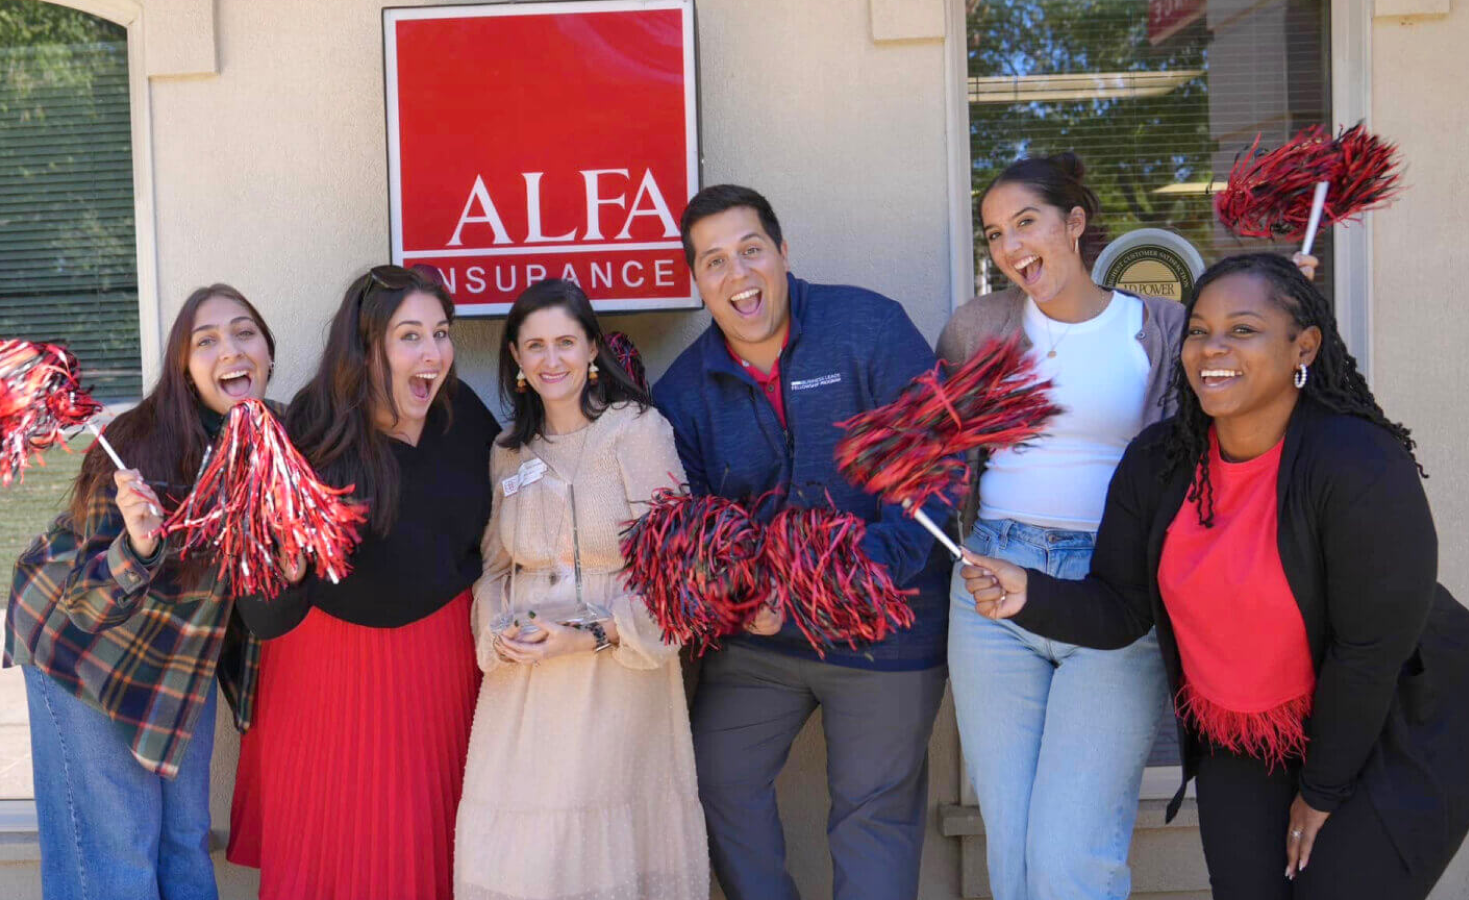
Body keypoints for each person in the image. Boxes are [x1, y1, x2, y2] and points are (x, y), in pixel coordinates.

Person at [958, 252, 1469, 900]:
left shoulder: (1357, 462)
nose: (1212, 348)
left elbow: (1367, 653)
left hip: (1398, 714)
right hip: (1247, 728)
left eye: (1243, 329)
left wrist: (1320, 793)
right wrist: (1030, 595)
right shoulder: (1161, 462)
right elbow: (1122, 608)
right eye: (1198, 329)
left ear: (1304, 345)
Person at [652, 184, 952, 900]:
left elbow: (929, 483)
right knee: (716, 778)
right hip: (764, 642)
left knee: (871, 818)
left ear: (783, 253)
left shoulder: (869, 328)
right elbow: (694, 534)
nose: (738, 276)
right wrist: (738, 599)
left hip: (888, 627)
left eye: (751, 250)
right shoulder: (685, 389)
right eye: (714, 262)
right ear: (698, 282)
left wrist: (830, 581)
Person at [933, 152, 1179, 900]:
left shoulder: (1162, 327)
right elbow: (939, 450)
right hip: (991, 584)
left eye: (1026, 223)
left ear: (1074, 224)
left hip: (1112, 594)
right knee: (1011, 852)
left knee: (1073, 854)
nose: (1011, 248)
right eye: (996, 234)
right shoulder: (978, 329)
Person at [228, 265, 500, 900]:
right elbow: (261, 617)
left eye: (441, 332)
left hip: (444, 682)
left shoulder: (466, 422)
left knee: (435, 858)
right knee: (330, 861)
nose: (432, 353)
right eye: (411, 336)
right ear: (367, 346)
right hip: (325, 687)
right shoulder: (307, 437)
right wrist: (286, 572)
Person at [6, 284, 275, 900]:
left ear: (266, 352)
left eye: (244, 332)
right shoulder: (137, 444)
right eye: (205, 341)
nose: (229, 349)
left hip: (179, 653)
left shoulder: (271, 441)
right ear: (184, 369)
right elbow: (85, 602)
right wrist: (140, 546)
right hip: (84, 649)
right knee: (117, 851)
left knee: (184, 838)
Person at [453, 279, 708, 900]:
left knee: (600, 855)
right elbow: (491, 567)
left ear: (593, 348)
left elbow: (681, 570)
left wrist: (593, 632)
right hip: (526, 689)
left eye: (566, 342)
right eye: (534, 345)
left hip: (617, 677)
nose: (551, 360)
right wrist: (499, 630)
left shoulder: (636, 431)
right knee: (528, 862)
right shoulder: (506, 452)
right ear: (515, 356)